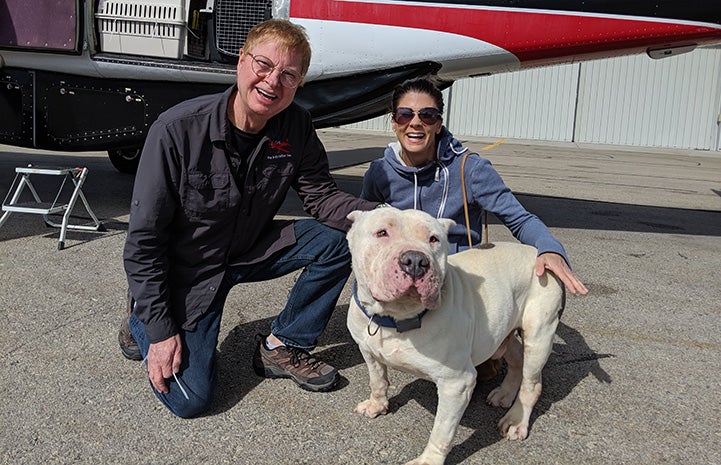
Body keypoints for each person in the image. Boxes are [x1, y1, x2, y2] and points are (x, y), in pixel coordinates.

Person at [118, 19, 379, 418]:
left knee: (343, 237)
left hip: (248, 250)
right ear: (241, 61)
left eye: (288, 75)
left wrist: (387, 221)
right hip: (190, 271)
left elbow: (321, 197)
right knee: (192, 400)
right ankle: (143, 314)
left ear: (299, 84)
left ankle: (282, 345)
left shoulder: (295, 127)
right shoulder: (177, 131)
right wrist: (160, 332)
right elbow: (144, 242)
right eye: (263, 65)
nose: (273, 81)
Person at [361, 78, 588, 377]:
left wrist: (549, 248)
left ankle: (498, 346)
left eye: (427, 115)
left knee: (463, 373)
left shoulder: (471, 169)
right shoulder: (380, 172)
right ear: (393, 123)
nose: (415, 123)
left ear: (439, 124)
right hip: (401, 271)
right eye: (405, 114)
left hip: (455, 283)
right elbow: (365, 227)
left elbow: (518, 217)